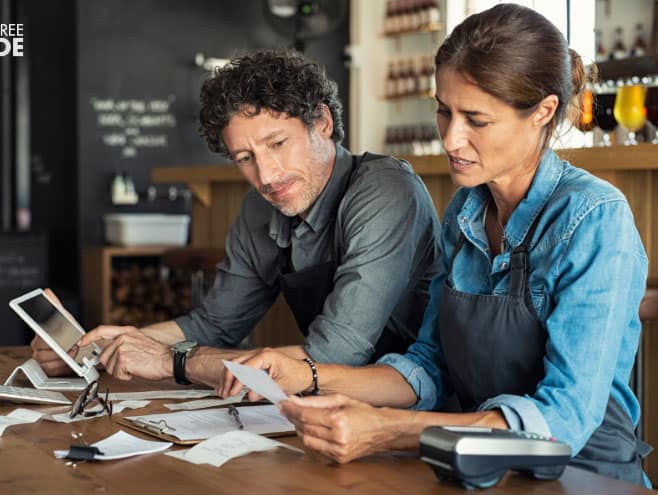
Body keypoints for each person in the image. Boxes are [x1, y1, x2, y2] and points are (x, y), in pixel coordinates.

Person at [220, 4, 651, 486]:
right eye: (444, 111)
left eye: (476, 119)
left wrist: (391, 430)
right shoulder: (465, 213)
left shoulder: (594, 218)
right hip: (476, 469)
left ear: (543, 112)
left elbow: (564, 420)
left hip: (584, 479)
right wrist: (306, 375)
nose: (450, 137)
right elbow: (429, 366)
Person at [32, 49, 441, 388]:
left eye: (277, 143)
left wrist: (174, 362)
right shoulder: (259, 208)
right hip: (330, 407)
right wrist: (104, 347)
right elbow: (214, 324)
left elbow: (334, 354)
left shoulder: (384, 190)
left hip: (417, 407)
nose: (266, 175)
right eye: (245, 158)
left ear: (322, 123)